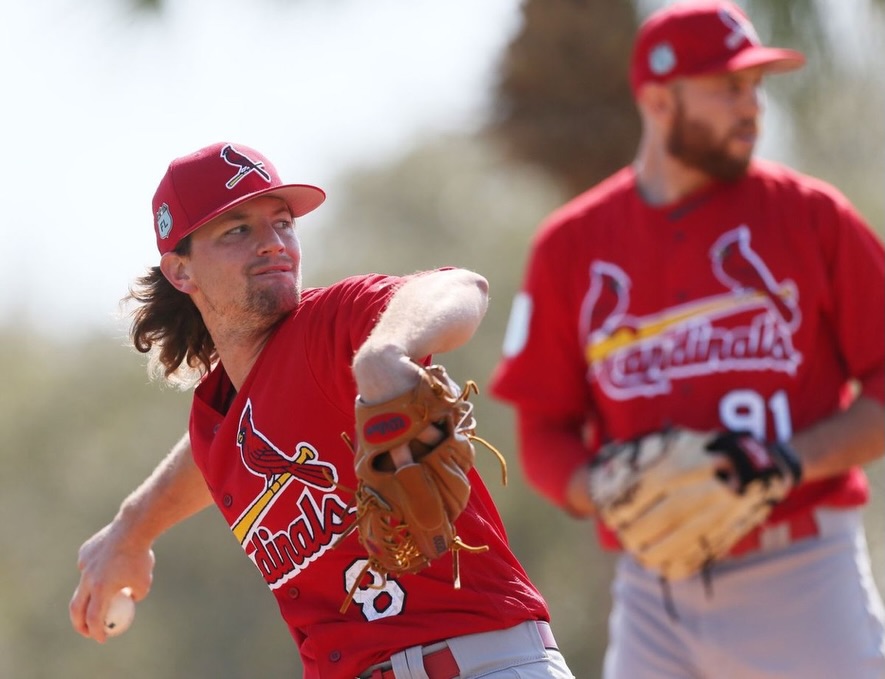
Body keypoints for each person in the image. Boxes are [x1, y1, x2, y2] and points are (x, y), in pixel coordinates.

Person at [69, 141, 575, 679]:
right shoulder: (218, 420)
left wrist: (386, 350)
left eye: (282, 223)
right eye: (237, 230)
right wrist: (130, 530)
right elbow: (217, 449)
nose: (273, 243)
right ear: (180, 271)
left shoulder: (330, 327)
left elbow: (457, 286)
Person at [489, 2, 885, 678]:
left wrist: (787, 460)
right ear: (657, 100)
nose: (751, 106)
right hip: (652, 592)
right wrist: (600, 485)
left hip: (801, 575)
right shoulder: (570, 246)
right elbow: (542, 432)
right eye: (728, 87)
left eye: (754, 86)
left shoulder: (812, 216)